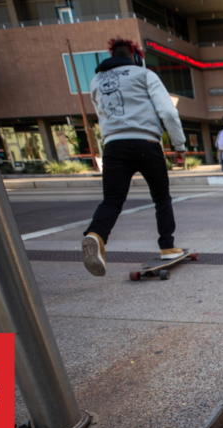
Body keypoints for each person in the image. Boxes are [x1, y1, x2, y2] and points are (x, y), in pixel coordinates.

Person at [81, 38, 186, 277]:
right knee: (161, 198)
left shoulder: (96, 81)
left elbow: (102, 114)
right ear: (136, 57)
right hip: (146, 143)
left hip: (114, 146)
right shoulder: (144, 74)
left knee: (112, 200)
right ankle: (167, 246)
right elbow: (168, 111)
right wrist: (178, 145)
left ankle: (95, 234)